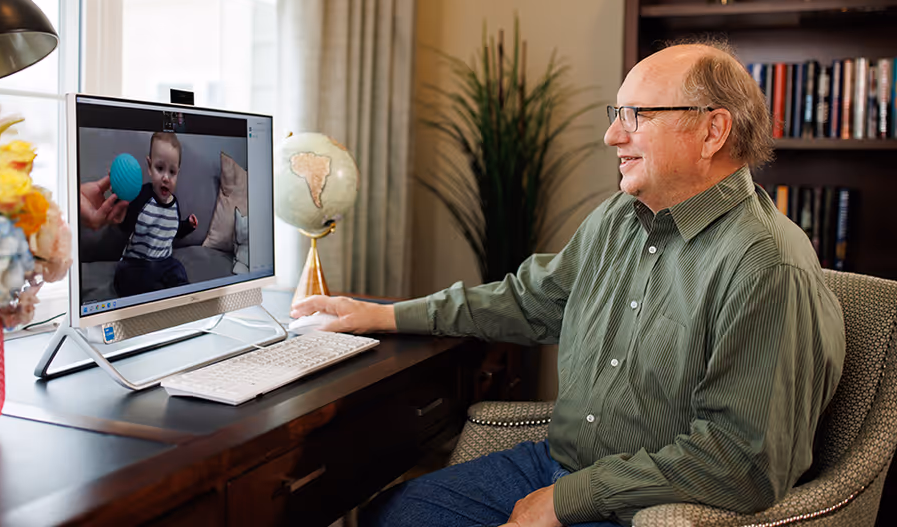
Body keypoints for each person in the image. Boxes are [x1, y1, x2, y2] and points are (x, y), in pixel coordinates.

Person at [290, 43, 846, 527]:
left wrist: (565, 501)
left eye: (636, 115)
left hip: (652, 508)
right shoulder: (620, 217)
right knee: (395, 514)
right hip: (561, 466)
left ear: (712, 131)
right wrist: (385, 316)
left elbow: (740, 464)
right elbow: (531, 301)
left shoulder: (766, 265)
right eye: (616, 113)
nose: (611, 135)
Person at [113, 132, 198, 297]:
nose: (166, 178)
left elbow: (171, 230)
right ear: (149, 167)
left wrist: (187, 225)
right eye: (160, 169)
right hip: (137, 262)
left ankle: (181, 296)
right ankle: (152, 294)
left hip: (163, 262)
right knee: (125, 275)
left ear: (178, 173)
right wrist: (120, 207)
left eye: (172, 172)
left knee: (178, 269)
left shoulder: (174, 204)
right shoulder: (141, 196)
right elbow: (126, 226)